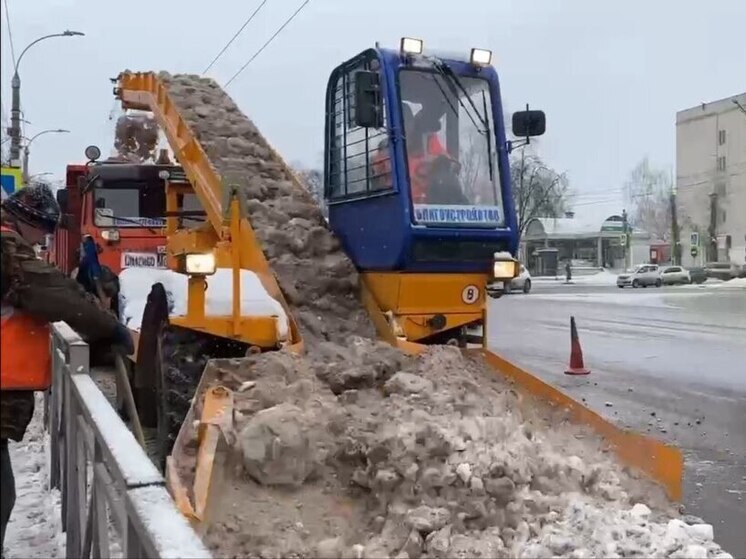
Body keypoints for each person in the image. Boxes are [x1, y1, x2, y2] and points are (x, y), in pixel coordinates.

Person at [0, 182, 134, 553]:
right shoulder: (6, 247)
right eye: (44, 230)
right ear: (28, 221)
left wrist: (92, 309)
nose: (44, 239)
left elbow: (56, 285)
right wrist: (109, 328)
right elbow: (51, 293)